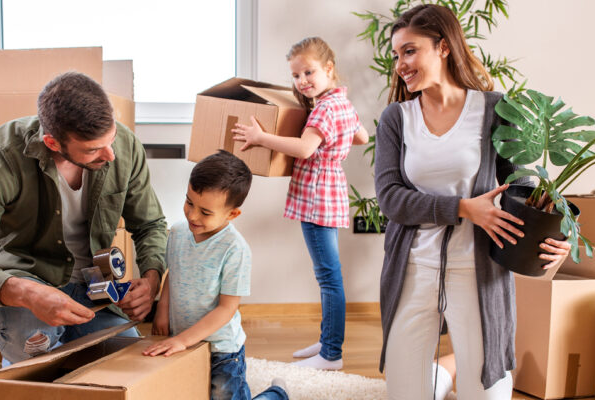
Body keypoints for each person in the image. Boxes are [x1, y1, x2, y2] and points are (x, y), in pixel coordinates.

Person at [374, 5, 571, 399]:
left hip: (477, 270)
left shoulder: (495, 110)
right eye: (396, 55)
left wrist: (557, 234)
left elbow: (526, 188)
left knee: (487, 389)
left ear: (443, 47)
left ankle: (448, 373)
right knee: (402, 392)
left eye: (409, 51)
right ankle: (444, 374)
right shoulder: (396, 118)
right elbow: (391, 199)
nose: (400, 64)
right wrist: (463, 208)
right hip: (412, 267)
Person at [0, 72, 168, 366]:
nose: (111, 155)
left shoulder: (125, 146)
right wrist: (26, 293)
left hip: (95, 287)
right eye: (93, 149)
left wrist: (151, 279)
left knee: (126, 365)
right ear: (53, 143)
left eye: (112, 139)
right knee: (37, 357)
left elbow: (150, 225)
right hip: (26, 282)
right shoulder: (2, 154)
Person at [231, 37, 368, 371]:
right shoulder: (340, 102)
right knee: (328, 274)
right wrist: (333, 144)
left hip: (317, 198)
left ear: (329, 69)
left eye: (309, 72)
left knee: (328, 277)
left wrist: (261, 138)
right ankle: (327, 339)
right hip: (329, 191)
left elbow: (306, 149)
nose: (302, 81)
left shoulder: (324, 107)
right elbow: (362, 136)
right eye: (296, 75)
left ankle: (331, 354)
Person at [142, 150, 288, 400]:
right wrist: (162, 309)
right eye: (189, 202)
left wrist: (183, 340)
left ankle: (278, 394)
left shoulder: (235, 249)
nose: (192, 215)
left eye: (206, 212)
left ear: (232, 214)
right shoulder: (177, 232)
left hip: (223, 351)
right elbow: (172, 272)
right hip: (184, 341)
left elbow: (226, 309)